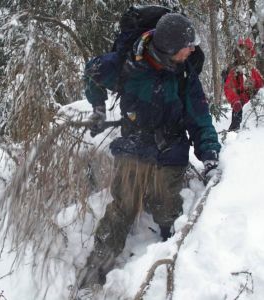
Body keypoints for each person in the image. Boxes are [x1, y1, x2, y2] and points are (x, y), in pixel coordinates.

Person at [79, 13, 221, 295]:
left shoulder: (185, 74)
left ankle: (171, 271)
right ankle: (93, 275)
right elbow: (92, 72)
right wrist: (98, 108)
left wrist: (210, 156)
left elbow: (200, 118)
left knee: (169, 211)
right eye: (187, 45)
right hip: (133, 149)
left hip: (171, 153)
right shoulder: (126, 64)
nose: (192, 49)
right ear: (168, 48)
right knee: (122, 210)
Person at [224, 37, 264, 131]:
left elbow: (260, 84)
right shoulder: (235, 69)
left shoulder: (255, 67)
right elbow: (229, 88)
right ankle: (234, 134)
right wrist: (235, 101)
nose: (244, 53)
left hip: (257, 101)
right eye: (241, 49)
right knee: (237, 117)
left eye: (247, 50)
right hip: (241, 103)